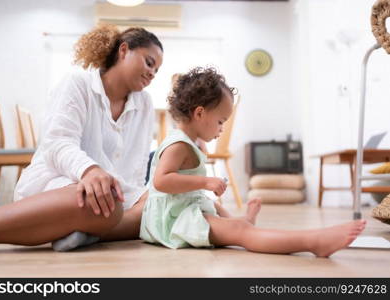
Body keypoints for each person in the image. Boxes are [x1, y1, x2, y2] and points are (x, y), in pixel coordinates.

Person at [139, 67, 366, 257]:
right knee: (238, 231)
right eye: (220, 121)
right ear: (199, 114)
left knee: (214, 206)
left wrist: (203, 186)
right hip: (171, 222)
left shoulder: (193, 142)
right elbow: (161, 181)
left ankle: (242, 222)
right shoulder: (178, 144)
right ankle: (312, 241)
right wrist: (205, 181)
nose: (221, 129)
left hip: (181, 210)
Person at [0, 24, 163, 250]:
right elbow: (57, 143)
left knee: (158, 203)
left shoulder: (145, 103)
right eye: (149, 63)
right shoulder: (78, 82)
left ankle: (84, 234)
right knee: (107, 204)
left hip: (109, 196)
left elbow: (138, 168)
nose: (152, 73)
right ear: (123, 51)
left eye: (156, 70)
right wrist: (89, 170)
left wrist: (140, 198)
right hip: (61, 184)